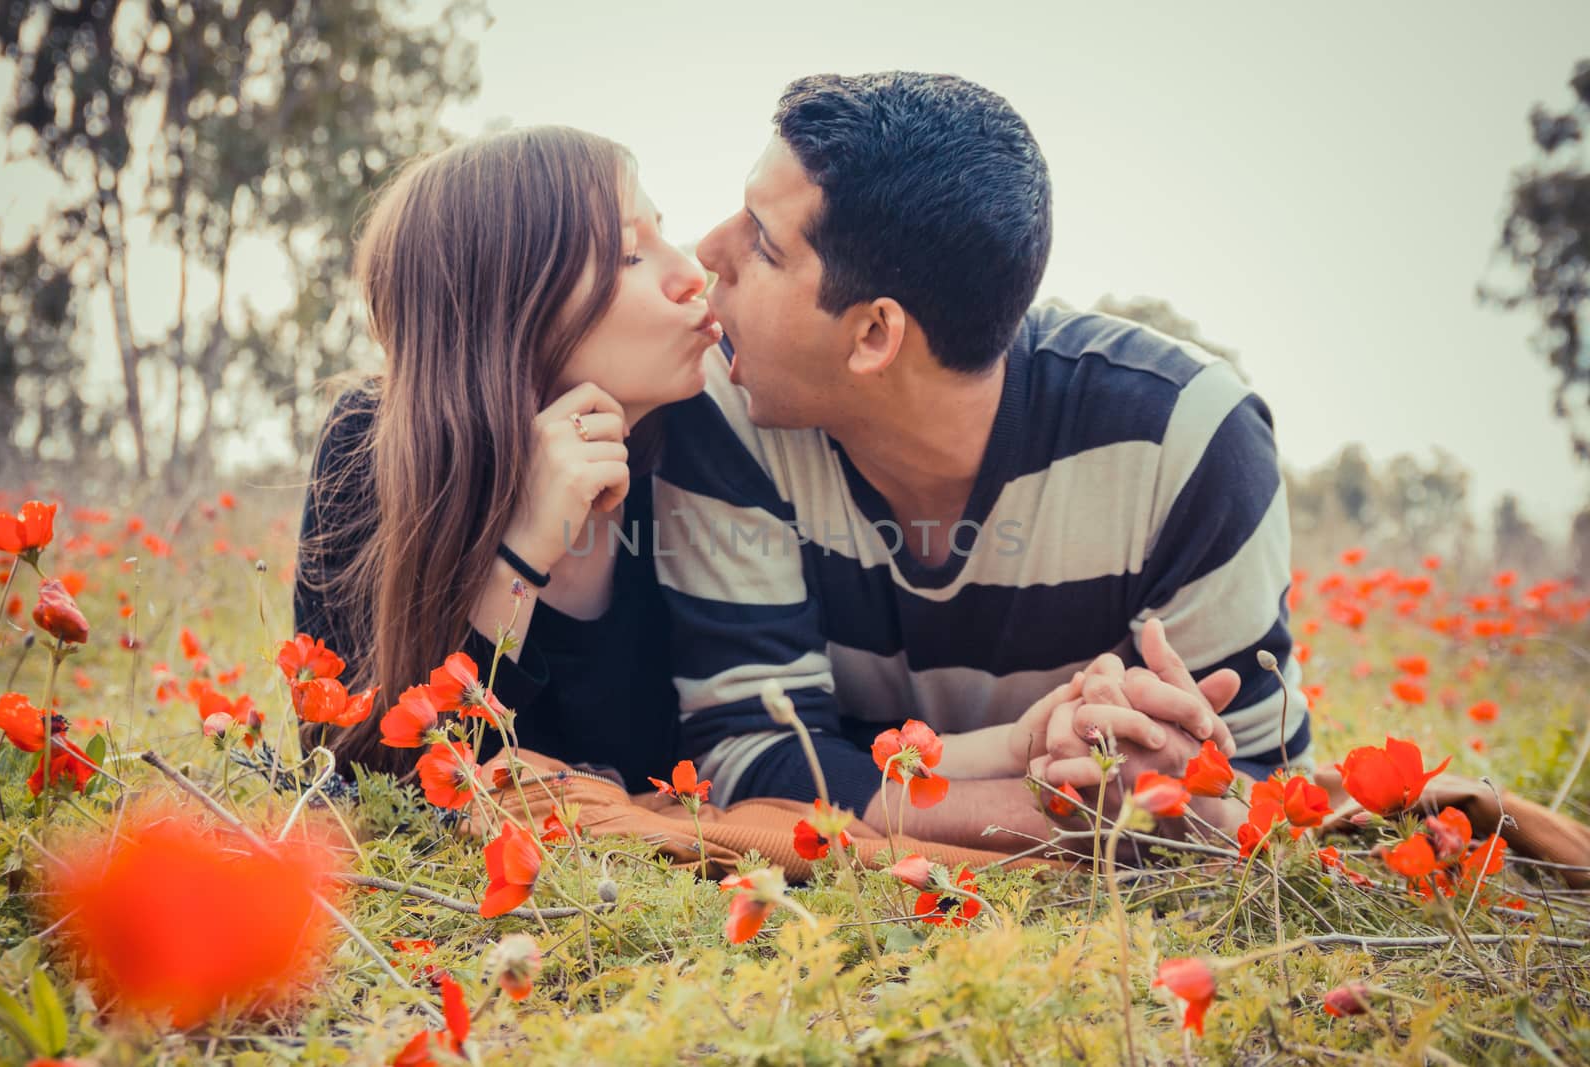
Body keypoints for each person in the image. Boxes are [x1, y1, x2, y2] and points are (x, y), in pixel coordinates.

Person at [652, 72, 1311, 849]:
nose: (709, 251)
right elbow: (749, 760)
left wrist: (1170, 766)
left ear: (873, 336)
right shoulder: (729, 404)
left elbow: (1256, 793)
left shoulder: (1190, 443)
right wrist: (1078, 817)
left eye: (763, 243)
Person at [293, 126, 721, 789]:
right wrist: (522, 554)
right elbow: (369, 793)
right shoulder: (371, 452)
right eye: (632, 255)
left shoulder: (703, 435)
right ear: (511, 310)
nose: (693, 274)